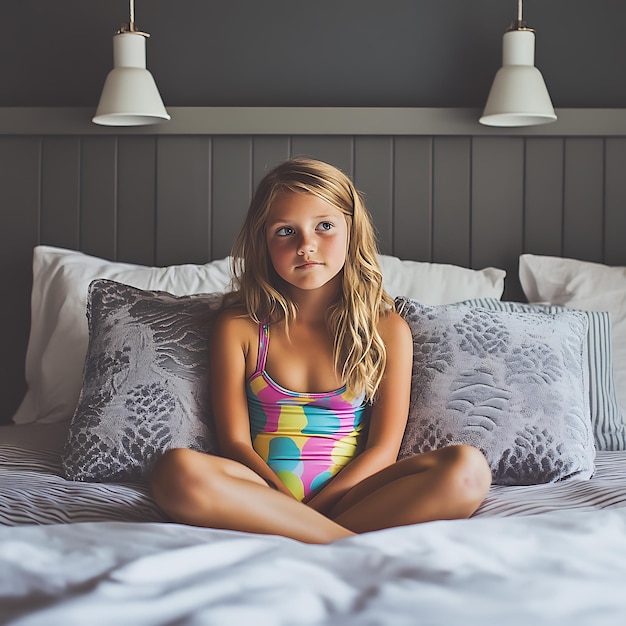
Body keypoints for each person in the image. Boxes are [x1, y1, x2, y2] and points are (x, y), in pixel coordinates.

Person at [150, 157, 492, 544]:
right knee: (175, 471)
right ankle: (341, 545)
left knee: (468, 468)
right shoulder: (240, 327)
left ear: (351, 230)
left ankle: (305, 536)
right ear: (263, 241)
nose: (306, 245)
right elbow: (236, 444)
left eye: (324, 226)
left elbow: (382, 449)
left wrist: (315, 509)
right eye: (285, 231)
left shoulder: (385, 329)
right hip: (261, 495)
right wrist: (283, 502)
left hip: (352, 497)